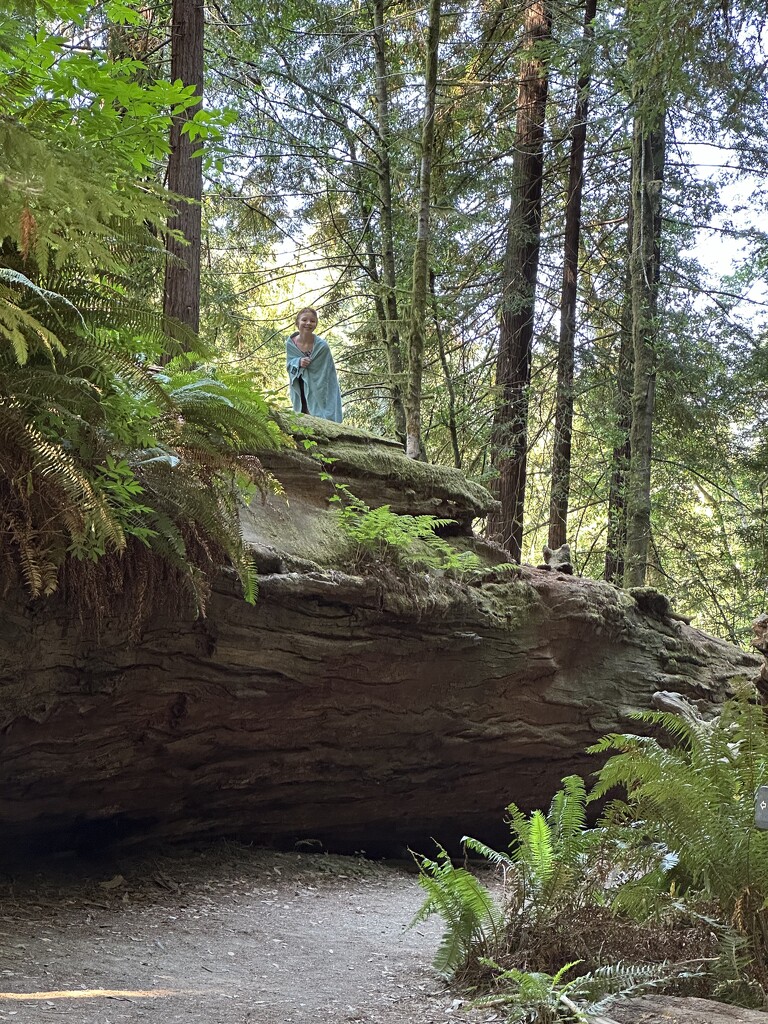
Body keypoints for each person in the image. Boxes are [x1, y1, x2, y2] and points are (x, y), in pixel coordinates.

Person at [285, 307, 343, 423]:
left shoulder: (322, 347)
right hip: (300, 383)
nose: (308, 323)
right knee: (303, 414)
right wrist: (298, 362)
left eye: (312, 321)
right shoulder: (290, 344)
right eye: (304, 320)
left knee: (318, 417)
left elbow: (327, 373)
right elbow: (289, 366)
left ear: (316, 324)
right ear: (297, 323)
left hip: (318, 386)